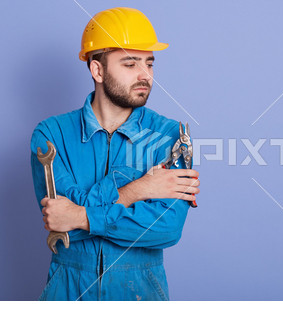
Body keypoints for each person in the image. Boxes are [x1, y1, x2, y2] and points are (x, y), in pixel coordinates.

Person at [30, 7, 200, 301]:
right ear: (97, 70)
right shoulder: (50, 134)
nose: (145, 74)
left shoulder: (170, 136)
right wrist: (138, 189)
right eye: (130, 64)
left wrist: (80, 217)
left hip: (139, 293)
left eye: (149, 63)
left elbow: (166, 228)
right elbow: (59, 222)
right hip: (66, 292)